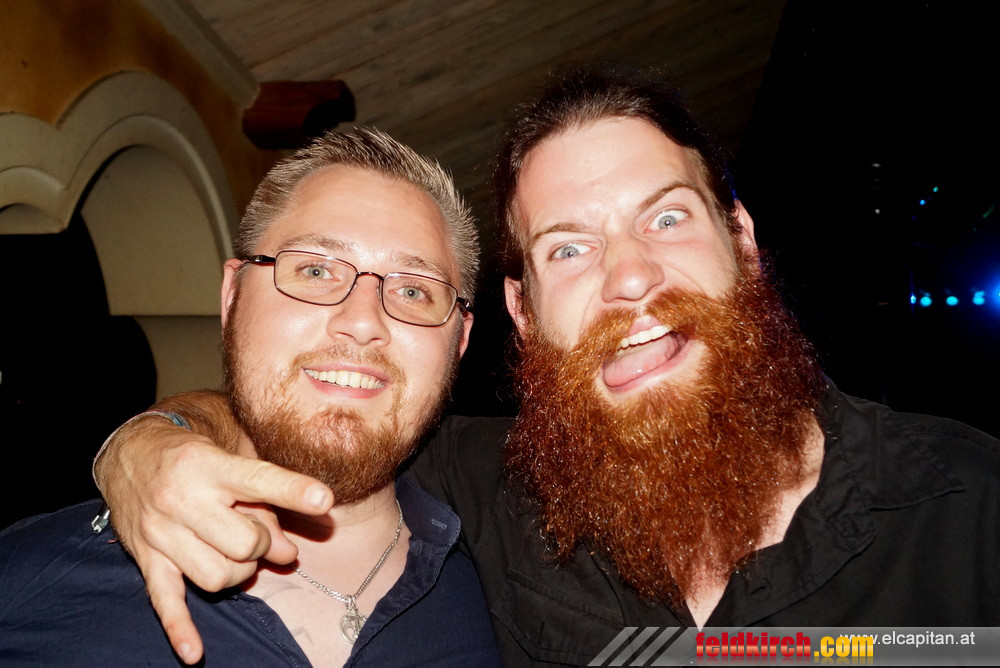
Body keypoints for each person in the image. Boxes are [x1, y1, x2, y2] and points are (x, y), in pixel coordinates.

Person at [94, 66, 1000, 666]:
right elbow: (302, 407)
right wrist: (150, 446)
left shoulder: (971, 513)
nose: (631, 278)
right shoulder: (486, 491)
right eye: (569, 249)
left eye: (667, 218)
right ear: (522, 314)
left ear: (744, 243)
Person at [0, 128, 501, 667]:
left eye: (413, 290)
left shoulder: (511, 576)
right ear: (232, 296)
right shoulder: (30, 580)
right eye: (315, 270)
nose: (362, 322)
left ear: (460, 342)